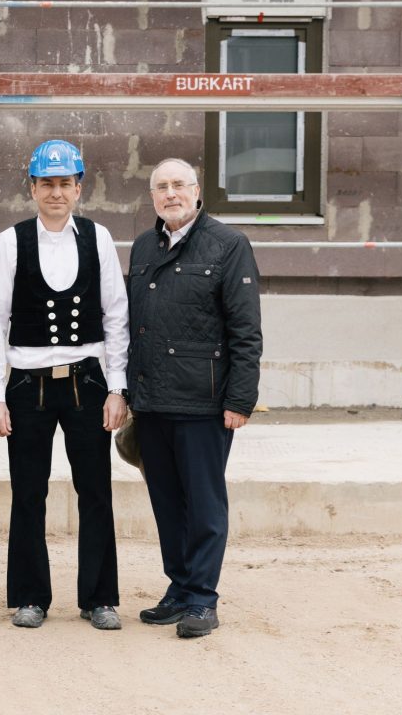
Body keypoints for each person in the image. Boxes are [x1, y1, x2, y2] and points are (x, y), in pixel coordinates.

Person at [0, 140, 129, 631]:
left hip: (87, 380)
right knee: (28, 492)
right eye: (48, 184)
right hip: (27, 385)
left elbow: (116, 316)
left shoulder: (98, 237)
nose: (57, 192)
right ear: (33, 188)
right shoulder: (10, 241)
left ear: (78, 187)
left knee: (96, 490)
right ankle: (29, 596)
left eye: (65, 183)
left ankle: (99, 597)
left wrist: (117, 386)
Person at [127, 158, 263, 639]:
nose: (170, 194)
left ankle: (203, 599)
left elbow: (246, 332)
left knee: (204, 505)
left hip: (204, 403)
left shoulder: (229, 245)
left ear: (196, 190)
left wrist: (240, 400)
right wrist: (128, 391)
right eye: (161, 187)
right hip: (153, 402)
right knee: (166, 502)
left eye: (179, 185)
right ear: (153, 196)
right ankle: (180, 589)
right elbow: (134, 327)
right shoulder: (144, 247)